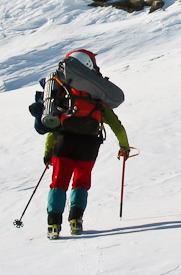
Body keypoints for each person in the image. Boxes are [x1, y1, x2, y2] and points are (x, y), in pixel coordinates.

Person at [42, 49, 130, 239]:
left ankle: (53, 226)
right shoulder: (99, 99)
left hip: (63, 142)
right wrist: (124, 147)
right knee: (81, 182)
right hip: (89, 145)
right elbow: (117, 127)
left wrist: (49, 151)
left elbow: (54, 127)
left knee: (58, 183)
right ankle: (76, 220)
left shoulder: (65, 96)